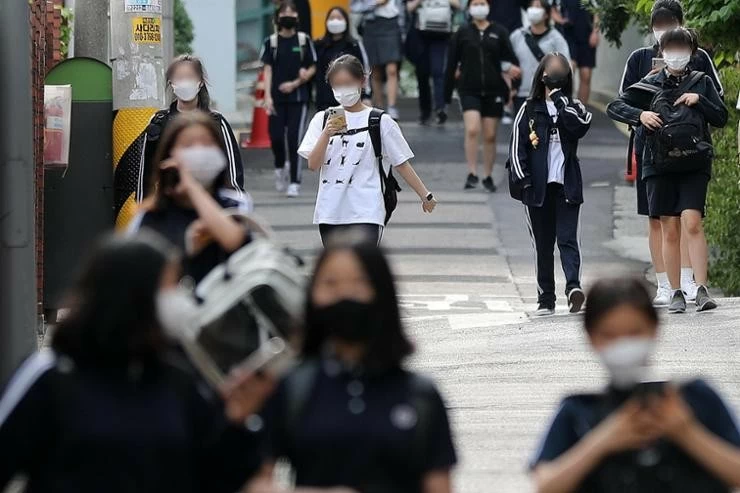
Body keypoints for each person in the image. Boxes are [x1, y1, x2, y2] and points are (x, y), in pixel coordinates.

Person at [0, 233, 274, 493]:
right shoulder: (52, 376)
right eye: (170, 286)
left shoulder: (178, 379)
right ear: (134, 297)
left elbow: (219, 476)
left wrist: (239, 422)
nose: (180, 298)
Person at [253, 232, 457, 493]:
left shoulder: (421, 396)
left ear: (383, 292)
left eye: (359, 282)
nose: (344, 294)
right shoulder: (293, 388)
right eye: (330, 284)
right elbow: (258, 480)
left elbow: (440, 485)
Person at [530, 277, 740, 493]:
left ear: (654, 329)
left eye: (634, 333)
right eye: (610, 335)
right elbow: (545, 484)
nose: (623, 345)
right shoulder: (579, 412)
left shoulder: (695, 398)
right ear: (591, 337)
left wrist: (686, 432)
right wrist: (602, 440)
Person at [607, 27, 728, 313]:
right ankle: (674, 291)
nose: (676, 55)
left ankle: (700, 287)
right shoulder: (649, 84)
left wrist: (701, 101)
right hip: (658, 164)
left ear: (692, 52)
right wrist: (641, 115)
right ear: (661, 52)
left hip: (694, 163)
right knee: (669, 228)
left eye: (682, 49)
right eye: (670, 49)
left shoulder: (702, 82)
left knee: (692, 222)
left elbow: (721, 116)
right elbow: (615, 106)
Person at [299, 55, 437, 246]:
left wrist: (425, 195)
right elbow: (313, 165)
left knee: (363, 271)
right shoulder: (322, 119)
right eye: (336, 85)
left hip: (367, 210)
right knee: (340, 272)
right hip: (330, 212)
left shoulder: (380, 121)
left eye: (348, 83)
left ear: (362, 81)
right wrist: (326, 134)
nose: (343, 90)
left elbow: (401, 163)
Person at [508, 53, 592, 316]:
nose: (556, 73)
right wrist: (525, 183)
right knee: (543, 244)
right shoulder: (529, 108)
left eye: (561, 69)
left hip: (566, 185)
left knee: (568, 239)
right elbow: (517, 148)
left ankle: (573, 288)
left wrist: (559, 99)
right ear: (542, 74)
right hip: (537, 189)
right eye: (551, 68)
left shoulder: (573, 106)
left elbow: (580, 127)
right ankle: (546, 297)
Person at [129, 112, 252, 284]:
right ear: (170, 155)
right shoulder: (150, 215)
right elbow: (143, 277)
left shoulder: (234, 203)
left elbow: (233, 240)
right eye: (188, 145)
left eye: (207, 143)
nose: (199, 151)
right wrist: (187, 249)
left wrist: (192, 188)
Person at [139, 55, 244, 201]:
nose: (185, 82)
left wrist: (235, 207)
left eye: (190, 77)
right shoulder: (158, 122)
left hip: (210, 204)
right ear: (171, 82)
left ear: (200, 82)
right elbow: (146, 173)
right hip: (170, 207)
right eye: (179, 77)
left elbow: (233, 172)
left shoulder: (216, 121)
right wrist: (144, 210)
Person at [445, 0, 521, 192]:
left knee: (490, 135)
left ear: (488, 6)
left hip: (494, 90)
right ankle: (472, 172)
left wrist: (513, 87)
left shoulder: (500, 32)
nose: (479, 6)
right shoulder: (462, 32)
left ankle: (487, 175)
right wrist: (445, 97)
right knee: (472, 129)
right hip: (468, 89)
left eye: (482, 2)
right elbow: (451, 64)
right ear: (469, 7)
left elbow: (512, 61)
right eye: (475, 3)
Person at [261, 0, 318, 198]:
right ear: (278, 17)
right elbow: (267, 69)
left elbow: (313, 66)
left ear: (297, 17)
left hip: (298, 98)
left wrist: (299, 80)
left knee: (294, 139)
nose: (288, 15)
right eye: (284, 11)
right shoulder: (271, 42)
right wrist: (267, 95)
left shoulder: (303, 41)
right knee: (276, 138)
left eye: (292, 12)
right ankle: (280, 167)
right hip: (276, 98)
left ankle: (294, 181)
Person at [510, 0, 570, 115]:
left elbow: (566, 64)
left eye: (537, 7)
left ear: (546, 14)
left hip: (547, 95)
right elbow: (506, 59)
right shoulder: (517, 36)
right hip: (521, 94)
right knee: (523, 130)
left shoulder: (556, 38)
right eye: (531, 7)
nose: (533, 10)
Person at [405, 0, 460, 125]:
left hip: (441, 34)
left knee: (438, 72)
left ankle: (441, 108)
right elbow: (409, 7)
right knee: (422, 73)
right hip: (420, 34)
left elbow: (458, 5)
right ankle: (425, 111)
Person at [351, 0, 405, 120]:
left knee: (392, 69)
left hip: (392, 23)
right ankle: (379, 108)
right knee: (375, 69)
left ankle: (392, 106)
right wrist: (374, 3)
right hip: (371, 24)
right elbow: (354, 6)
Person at [314, 6, 370, 112]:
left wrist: (366, 95)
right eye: (332, 18)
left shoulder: (354, 45)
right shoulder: (319, 46)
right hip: (325, 100)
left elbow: (365, 70)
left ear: (346, 21)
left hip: (351, 99)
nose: (335, 21)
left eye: (339, 18)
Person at [551, 0, 599, 104]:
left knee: (586, 75)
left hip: (586, 36)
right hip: (566, 36)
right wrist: (560, 20)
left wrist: (595, 32)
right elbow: (551, 8)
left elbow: (597, 12)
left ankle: (581, 111)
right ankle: (564, 107)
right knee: (568, 71)